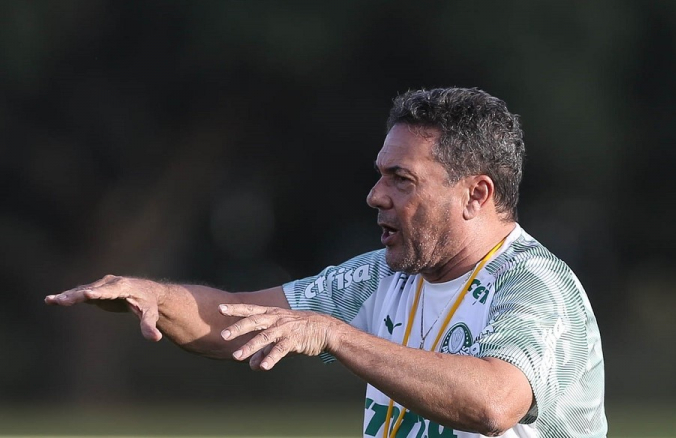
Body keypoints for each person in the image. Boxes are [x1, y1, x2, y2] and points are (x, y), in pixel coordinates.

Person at [46, 87, 607, 438]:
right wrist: (158, 297)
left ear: (476, 195)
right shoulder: (382, 275)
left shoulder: (533, 283)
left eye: (401, 179)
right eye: (381, 173)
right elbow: (234, 320)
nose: (376, 195)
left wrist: (336, 336)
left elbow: (493, 402)